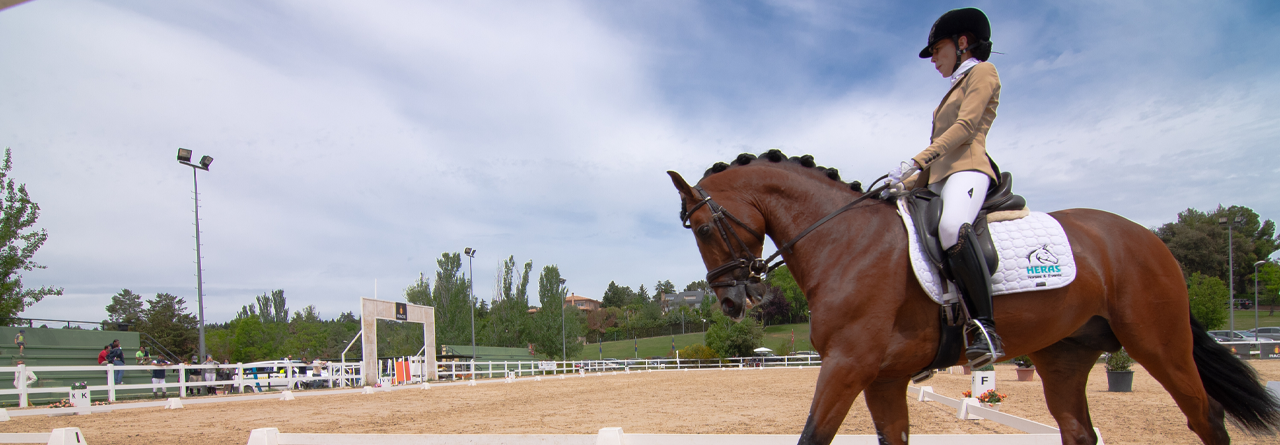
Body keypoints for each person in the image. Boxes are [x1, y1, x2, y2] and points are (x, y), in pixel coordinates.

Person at [891, 7, 1004, 368]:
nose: (933, 59)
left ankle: (985, 329)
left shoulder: (983, 72)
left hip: (968, 168)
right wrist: (904, 184)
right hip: (937, 179)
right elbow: (934, 159)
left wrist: (918, 159)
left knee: (952, 226)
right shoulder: (950, 90)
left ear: (963, 43)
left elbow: (967, 128)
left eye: (937, 50)